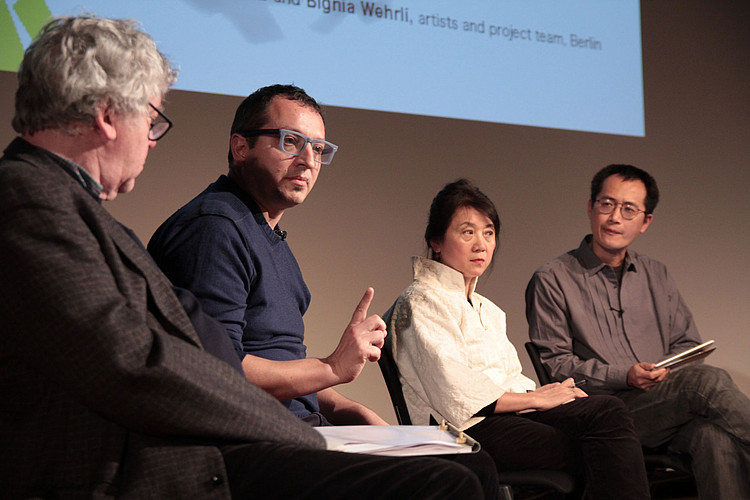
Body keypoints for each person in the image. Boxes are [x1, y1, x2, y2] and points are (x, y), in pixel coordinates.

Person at [0, 15, 499, 499]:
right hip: (151, 461)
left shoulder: (72, 209)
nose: (152, 141)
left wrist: (340, 409)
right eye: (151, 120)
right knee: (446, 479)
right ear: (108, 116)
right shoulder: (32, 203)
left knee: (464, 467)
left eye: (318, 149)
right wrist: (306, 433)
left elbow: (194, 342)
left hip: (214, 438)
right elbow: (140, 365)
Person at [387, 178, 651, 499]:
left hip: (506, 417)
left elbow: (509, 378)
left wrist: (542, 393)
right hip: (461, 429)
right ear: (437, 241)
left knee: (606, 412)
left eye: (489, 232)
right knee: (592, 446)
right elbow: (455, 390)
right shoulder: (420, 300)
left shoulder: (488, 309)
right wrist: (535, 399)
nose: (481, 244)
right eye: (467, 232)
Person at [148, 85, 387, 426]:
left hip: (297, 430)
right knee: (451, 477)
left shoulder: (268, 238)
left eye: (318, 149)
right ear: (241, 147)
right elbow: (218, 368)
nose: (308, 161)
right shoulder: (214, 229)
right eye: (291, 142)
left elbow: (286, 364)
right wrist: (332, 367)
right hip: (251, 440)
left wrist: (348, 409)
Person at [526, 164, 750, 500]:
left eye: (629, 209)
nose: (615, 217)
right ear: (590, 207)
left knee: (712, 437)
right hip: (604, 415)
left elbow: (687, 344)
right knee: (710, 381)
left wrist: (663, 373)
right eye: (607, 204)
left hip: (665, 406)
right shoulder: (553, 278)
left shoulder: (655, 274)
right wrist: (625, 376)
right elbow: (557, 367)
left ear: (645, 222)